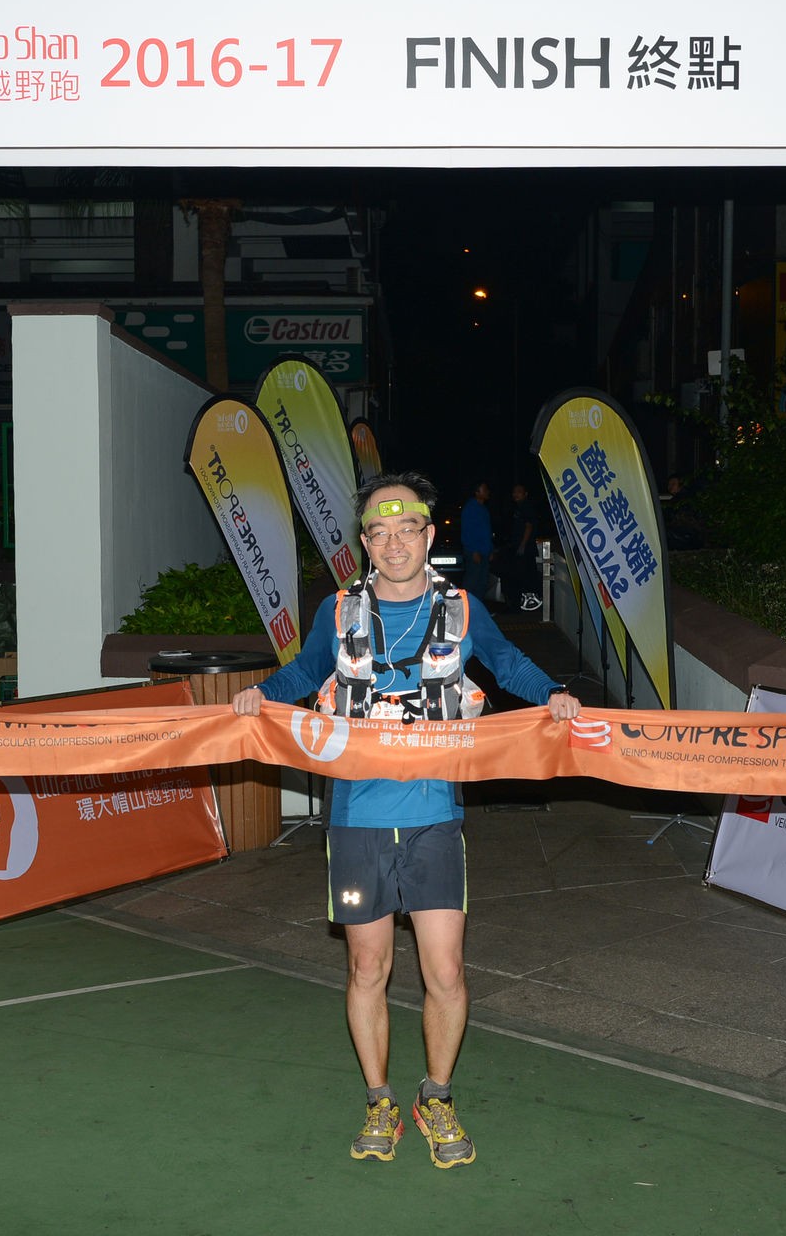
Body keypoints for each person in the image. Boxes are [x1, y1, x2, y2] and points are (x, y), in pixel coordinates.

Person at [232, 472, 580, 1169]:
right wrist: (258, 695)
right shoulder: (337, 612)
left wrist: (555, 694)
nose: (394, 544)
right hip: (357, 817)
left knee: (444, 971)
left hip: (433, 817)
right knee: (368, 966)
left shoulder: (461, 609)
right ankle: (379, 1101)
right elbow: (303, 674)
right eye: (379, 532)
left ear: (427, 536)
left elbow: (508, 663)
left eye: (406, 530)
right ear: (365, 543)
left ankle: (437, 1095)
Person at [501, 481, 543, 613]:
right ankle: (518, 605)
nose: (515, 494)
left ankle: (522, 606)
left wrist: (522, 545)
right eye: (514, 492)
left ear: (525, 494)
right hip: (519, 548)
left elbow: (529, 526)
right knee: (520, 577)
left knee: (523, 577)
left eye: (519, 492)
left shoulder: (526, 507)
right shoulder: (516, 508)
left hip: (525, 549)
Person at [460, 480, 494, 600]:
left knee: (482, 583)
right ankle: (465, 606)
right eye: (484, 489)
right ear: (477, 492)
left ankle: (478, 608)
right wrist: (474, 550)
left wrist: (490, 549)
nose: (487, 492)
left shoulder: (483, 509)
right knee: (472, 582)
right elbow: (467, 531)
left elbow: (487, 531)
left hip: (484, 551)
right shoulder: (470, 508)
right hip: (474, 551)